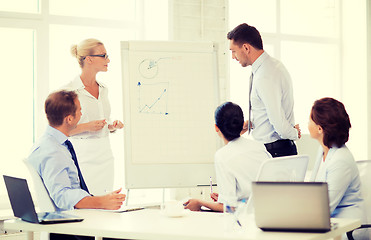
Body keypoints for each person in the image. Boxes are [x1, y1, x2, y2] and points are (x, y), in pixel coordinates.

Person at [27, 90, 126, 240]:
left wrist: (102, 199)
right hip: (72, 229)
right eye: (80, 110)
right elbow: (62, 195)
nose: (81, 113)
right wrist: (101, 202)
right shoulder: (53, 151)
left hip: (74, 221)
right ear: (69, 119)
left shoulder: (51, 143)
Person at [227, 23, 301, 157]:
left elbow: (278, 122)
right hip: (276, 150)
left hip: (275, 152)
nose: (233, 56)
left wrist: (294, 133)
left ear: (246, 47)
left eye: (233, 51)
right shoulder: (271, 67)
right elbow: (272, 111)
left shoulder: (265, 76)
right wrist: (254, 123)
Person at [184, 102, 271, 212]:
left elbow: (230, 208)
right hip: (270, 211)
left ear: (216, 128)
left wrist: (199, 203)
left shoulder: (223, 156)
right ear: (242, 123)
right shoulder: (259, 146)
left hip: (248, 219)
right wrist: (223, 197)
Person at [64, 38, 124, 195]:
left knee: (104, 203)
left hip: (105, 156)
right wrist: (87, 127)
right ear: (88, 59)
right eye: (103, 56)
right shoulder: (69, 91)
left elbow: (103, 120)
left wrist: (111, 126)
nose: (108, 60)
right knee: (86, 204)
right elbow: (61, 129)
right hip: (82, 157)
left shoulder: (104, 89)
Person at [308, 97, 367, 237]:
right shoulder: (323, 150)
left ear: (320, 128)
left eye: (310, 120)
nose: (307, 123)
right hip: (331, 224)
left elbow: (324, 209)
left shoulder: (340, 160)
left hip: (347, 229)